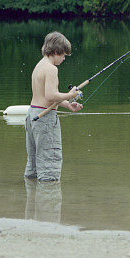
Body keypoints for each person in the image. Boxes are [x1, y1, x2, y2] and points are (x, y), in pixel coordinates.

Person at [24, 31, 82, 182]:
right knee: (50, 165)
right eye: (63, 55)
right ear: (56, 52)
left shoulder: (39, 66)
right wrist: (70, 95)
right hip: (45, 119)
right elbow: (50, 96)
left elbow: (45, 97)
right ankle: (48, 200)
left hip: (33, 115)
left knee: (34, 165)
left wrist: (68, 105)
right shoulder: (51, 69)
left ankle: (31, 198)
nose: (63, 59)